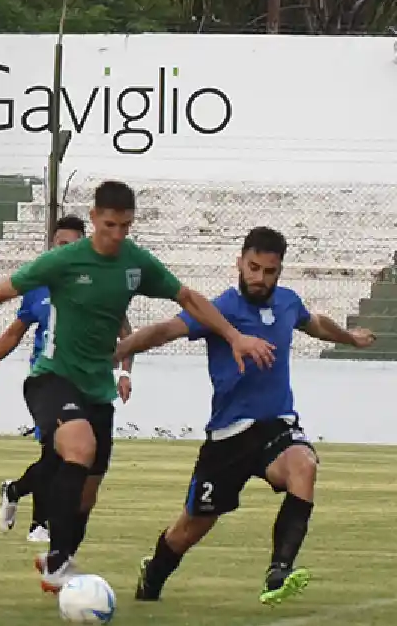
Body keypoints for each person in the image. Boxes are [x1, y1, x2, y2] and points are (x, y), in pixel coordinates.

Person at [0, 180, 276, 594]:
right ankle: (58, 560)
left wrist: (234, 336)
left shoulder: (134, 263)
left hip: (97, 388)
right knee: (79, 448)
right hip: (52, 377)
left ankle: (57, 559)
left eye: (125, 226)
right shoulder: (64, 261)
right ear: (94, 218)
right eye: (110, 225)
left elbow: (187, 297)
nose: (117, 235)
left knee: (87, 493)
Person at [115, 227, 375, 604]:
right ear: (239, 263)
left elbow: (314, 323)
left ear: (279, 271)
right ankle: (153, 575)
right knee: (190, 528)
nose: (260, 278)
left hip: (277, 425)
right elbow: (164, 330)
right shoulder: (220, 309)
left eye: (270, 271)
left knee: (304, 464)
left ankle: (278, 572)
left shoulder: (287, 302)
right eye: (254, 267)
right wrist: (115, 354)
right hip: (228, 438)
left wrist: (350, 338)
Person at [0, 216, 135, 544]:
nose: (68, 250)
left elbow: (125, 332)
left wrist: (124, 372)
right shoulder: (37, 288)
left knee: (66, 458)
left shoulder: (99, 286)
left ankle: (16, 490)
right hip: (49, 382)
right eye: (62, 244)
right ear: (51, 247)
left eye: (75, 244)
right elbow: (14, 332)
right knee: (56, 451)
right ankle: (40, 525)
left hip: (89, 383)